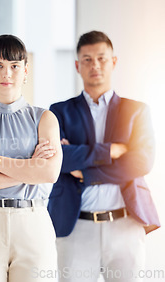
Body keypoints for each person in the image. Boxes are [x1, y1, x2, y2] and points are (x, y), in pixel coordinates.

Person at [48, 30, 159, 282]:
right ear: (77, 65)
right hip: (76, 226)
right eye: (87, 59)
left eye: (101, 58)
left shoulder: (136, 111)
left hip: (125, 224)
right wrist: (110, 151)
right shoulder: (59, 111)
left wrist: (85, 172)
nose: (94, 65)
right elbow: (60, 158)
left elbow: (142, 162)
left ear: (113, 62)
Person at [0, 35, 62, 282]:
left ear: (25, 70)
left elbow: (48, 173)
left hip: (33, 222)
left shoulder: (44, 118)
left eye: (14, 66)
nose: (6, 73)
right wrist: (29, 170)